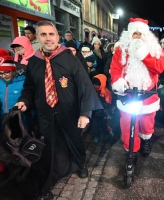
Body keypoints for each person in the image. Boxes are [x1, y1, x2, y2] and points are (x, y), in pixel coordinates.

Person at [15, 20, 102, 199]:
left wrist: (85, 113)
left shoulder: (70, 58)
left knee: (74, 140)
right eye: (43, 34)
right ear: (37, 37)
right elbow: (30, 87)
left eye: (51, 34)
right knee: (50, 146)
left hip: (69, 112)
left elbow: (85, 85)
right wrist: (24, 100)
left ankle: (80, 164)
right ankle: (52, 176)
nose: (48, 38)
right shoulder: (34, 62)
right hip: (45, 113)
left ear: (58, 36)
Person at [110, 18, 164, 163]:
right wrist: (117, 81)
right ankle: (131, 150)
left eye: (141, 34)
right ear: (130, 34)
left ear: (146, 35)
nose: (138, 37)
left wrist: (143, 54)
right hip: (128, 96)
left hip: (148, 96)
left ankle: (145, 141)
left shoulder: (154, 49)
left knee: (147, 124)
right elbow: (115, 68)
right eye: (135, 33)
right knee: (127, 125)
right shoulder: (121, 49)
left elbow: (159, 67)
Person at [0, 49, 25, 130]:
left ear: (13, 70)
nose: (4, 76)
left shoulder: (23, 82)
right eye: (0, 73)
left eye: (7, 72)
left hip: (22, 122)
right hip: (4, 122)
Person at [90, 74, 112, 143]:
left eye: (97, 84)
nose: (95, 86)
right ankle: (97, 136)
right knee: (95, 125)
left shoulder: (106, 92)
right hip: (94, 112)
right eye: (94, 84)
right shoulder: (93, 91)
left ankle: (107, 134)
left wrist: (101, 106)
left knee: (104, 124)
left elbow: (108, 103)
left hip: (103, 112)